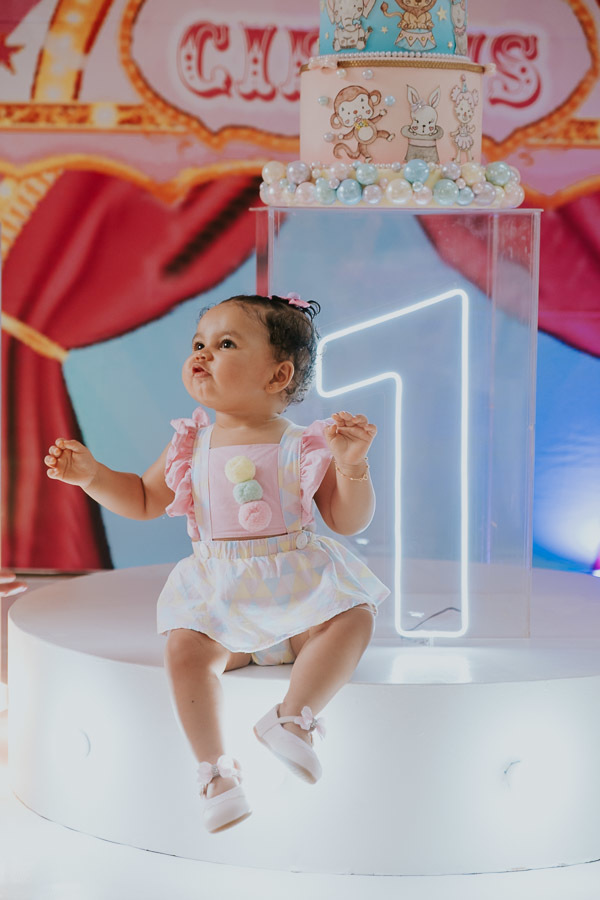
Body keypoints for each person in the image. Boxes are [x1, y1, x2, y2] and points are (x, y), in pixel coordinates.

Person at [44, 292, 389, 833]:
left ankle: (292, 719)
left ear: (278, 376)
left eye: (225, 344)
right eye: (198, 343)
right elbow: (140, 498)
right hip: (222, 599)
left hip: (298, 593)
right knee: (185, 648)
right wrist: (93, 476)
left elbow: (346, 521)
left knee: (354, 616)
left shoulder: (304, 445)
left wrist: (353, 467)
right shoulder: (190, 445)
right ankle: (216, 773)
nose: (202, 353)